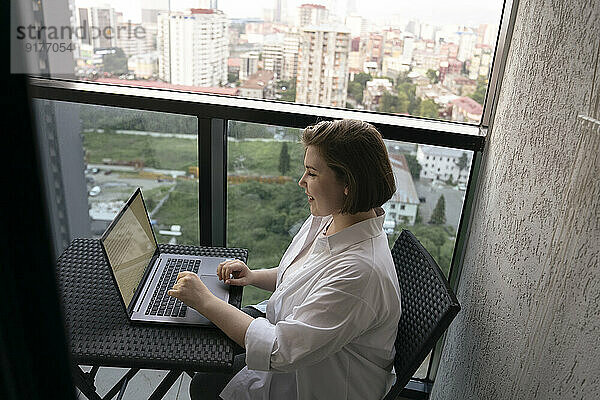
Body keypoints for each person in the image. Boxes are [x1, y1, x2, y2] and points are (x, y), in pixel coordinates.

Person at [168, 119, 402, 400]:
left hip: (316, 381)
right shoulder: (334, 217)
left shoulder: (360, 273)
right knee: (201, 336)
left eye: (312, 174)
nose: (302, 181)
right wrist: (253, 276)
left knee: (204, 382)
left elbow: (281, 351)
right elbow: (305, 277)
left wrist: (205, 301)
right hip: (298, 339)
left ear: (347, 184)